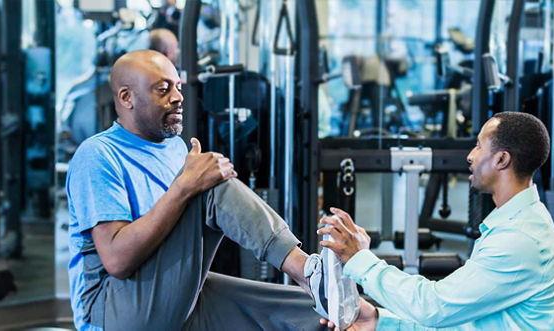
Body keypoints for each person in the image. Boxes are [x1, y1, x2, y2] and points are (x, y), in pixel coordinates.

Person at [65, 49, 353, 330]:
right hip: (111, 312)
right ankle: (305, 270)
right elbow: (117, 261)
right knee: (208, 184)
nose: (178, 97)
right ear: (127, 97)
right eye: (163, 89)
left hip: (170, 297)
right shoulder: (98, 155)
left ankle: (353, 311)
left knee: (308, 311)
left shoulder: (175, 149)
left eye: (177, 87)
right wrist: (185, 187)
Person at [317, 112, 554, 330]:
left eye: (479, 145)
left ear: (502, 159)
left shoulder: (519, 239)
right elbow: (466, 323)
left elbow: (433, 307)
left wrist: (360, 259)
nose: (470, 156)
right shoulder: (516, 223)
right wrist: (379, 321)